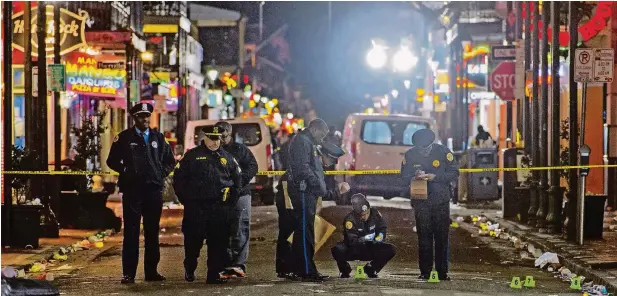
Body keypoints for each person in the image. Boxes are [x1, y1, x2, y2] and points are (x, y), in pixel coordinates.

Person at [106, 102, 175, 284]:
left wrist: (160, 173)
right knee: (131, 232)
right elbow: (111, 161)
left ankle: (151, 272)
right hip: (132, 191)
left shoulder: (158, 138)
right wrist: (126, 170)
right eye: (140, 116)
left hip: (153, 190)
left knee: (152, 232)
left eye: (147, 116)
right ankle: (129, 273)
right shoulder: (124, 138)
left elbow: (170, 160)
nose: (144, 119)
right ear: (134, 118)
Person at [173, 125, 243, 284]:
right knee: (193, 242)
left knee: (218, 243)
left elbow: (238, 180)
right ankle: (190, 266)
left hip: (219, 207)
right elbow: (178, 179)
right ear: (205, 138)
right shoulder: (192, 156)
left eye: (218, 138)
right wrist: (186, 199)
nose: (215, 142)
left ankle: (214, 274)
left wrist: (231, 200)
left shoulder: (227, 157)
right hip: (196, 208)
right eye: (212, 138)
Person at [275, 141, 349, 279]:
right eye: (332, 159)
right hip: (289, 198)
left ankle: (291, 268)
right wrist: (338, 192)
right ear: (324, 155)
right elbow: (319, 190)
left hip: (291, 197)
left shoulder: (314, 165)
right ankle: (293, 269)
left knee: (295, 232)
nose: (332, 163)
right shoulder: (313, 167)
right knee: (292, 231)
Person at [400, 128, 459, 281]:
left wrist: (435, 176)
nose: (423, 152)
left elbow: (454, 172)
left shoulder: (444, 152)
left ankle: (442, 272)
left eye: (425, 149)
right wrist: (414, 175)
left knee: (441, 237)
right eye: (420, 149)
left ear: (431, 145)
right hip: (421, 201)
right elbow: (403, 175)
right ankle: (425, 271)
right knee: (424, 237)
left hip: (441, 200)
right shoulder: (410, 155)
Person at [286, 118, 330, 281]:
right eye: (322, 135)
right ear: (315, 129)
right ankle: (306, 270)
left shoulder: (306, 142)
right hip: (303, 191)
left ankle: (301, 268)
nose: (322, 139)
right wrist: (317, 184)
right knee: (305, 231)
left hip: (306, 191)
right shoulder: (303, 142)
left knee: (304, 230)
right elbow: (303, 168)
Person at [214, 121, 258, 279]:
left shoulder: (240, 150)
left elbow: (253, 166)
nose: (221, 139)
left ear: (229, 134)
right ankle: (225, 263)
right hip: (219, 196)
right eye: (219, 136)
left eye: (224, 136)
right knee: (222, 230)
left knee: (240, 229)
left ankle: (238, 264)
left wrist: (239, 181)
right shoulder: (213, 150)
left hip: (240, 195)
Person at [331, 193, 395, 278]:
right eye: (361, 215)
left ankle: (371, 268)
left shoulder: (375, 214)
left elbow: (382, 227)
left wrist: (380, 236)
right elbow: (352, 241)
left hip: (370, 247)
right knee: (337, 249)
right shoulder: (349, 220)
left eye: (366, 213)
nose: (364, 217)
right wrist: (364, 239)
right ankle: (345, 270)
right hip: (354, 249)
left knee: (390, 249)